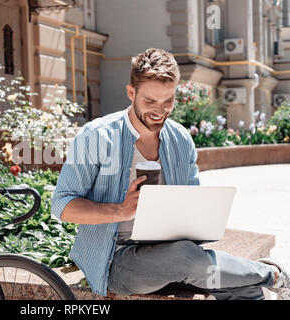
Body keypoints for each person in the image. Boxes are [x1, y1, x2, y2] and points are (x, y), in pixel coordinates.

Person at [51, 48, 290, 300]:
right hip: (115, 260)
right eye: (150, 101)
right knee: (187, 259)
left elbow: (192, 204)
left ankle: (259, 280)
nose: (159, 111)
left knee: (244, 289)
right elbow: (62, 205)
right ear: (131, 93)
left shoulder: (180, 139)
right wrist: (120, 210)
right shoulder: (96, 136)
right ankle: (273, 274)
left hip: (173, 251)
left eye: (168, 101)